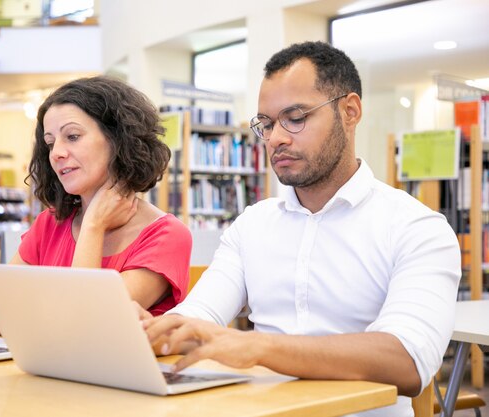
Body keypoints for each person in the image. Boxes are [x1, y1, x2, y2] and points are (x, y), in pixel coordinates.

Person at [141, 41, 460, 417]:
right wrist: (156, 331)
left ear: (350, 111)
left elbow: (407, 361)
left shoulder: (417, 228)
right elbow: (200, 315)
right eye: (267, 124)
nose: (276, 138)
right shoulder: (252, 225)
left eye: (295, 118)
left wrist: (259, 347)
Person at [0, 76, 192, 335]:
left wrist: (94, 226)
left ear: (118, 139)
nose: (56, 153)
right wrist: (56, 313)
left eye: (72, 136)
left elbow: (80, 326)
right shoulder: (49, 224)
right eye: (50, 143)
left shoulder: (166, 236)